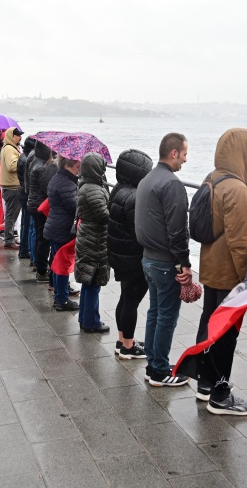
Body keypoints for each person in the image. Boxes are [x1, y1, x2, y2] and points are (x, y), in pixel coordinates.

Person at [195, 127, 247, 414]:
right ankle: (220, 394)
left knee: (209, 323)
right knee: (226, 332)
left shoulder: (213, 178)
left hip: (210, 265)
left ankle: (204, 383)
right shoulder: (237, 189)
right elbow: (240, 241)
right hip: (228, 272)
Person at [134, 133, 192, 387]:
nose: (186, 160)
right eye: (185, 154)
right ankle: (159, 371)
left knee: (155, 312)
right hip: (165, 262)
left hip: (148, 257)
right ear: (174, 153)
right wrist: (184, 265)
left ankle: (153, 364)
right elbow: (178, 230)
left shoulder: (146, 179)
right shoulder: (172, 184)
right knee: (166, 316)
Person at [108, 148, 153, 360]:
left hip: (120, 254)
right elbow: (141, 231)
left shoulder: (118, 190)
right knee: (131, 301)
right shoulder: (134, 197)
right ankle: (128, 346)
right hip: (133, 258)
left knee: (125, 298)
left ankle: (122, 340)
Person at [75, 152, 111, 333]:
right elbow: (104, 215)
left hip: (87, 235)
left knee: (88, 281)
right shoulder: (94, 190)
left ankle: (85, 318)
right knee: (93, 281)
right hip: (94, 238)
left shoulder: (85, 185)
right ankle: (91, 322)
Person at [45, 156, 81, 310]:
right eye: (77, 166)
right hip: (62, 228)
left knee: (56, 260)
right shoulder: (66, 183)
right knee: (63, 264)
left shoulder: (58, 177)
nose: (79, 168)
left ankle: (60, 292)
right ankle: (61, 300)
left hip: (55, 225)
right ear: (68, 165)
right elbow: (74, 206)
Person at [27, 141, 57, 282]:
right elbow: (47, 189)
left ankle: (39, 266)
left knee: (39, 236)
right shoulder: (41, 167)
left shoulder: (34, 161)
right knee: (43, 240)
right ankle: (41, 270)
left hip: (33, 203)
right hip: (40, 206)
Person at [0, 127, 24, 249]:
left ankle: (9, 238)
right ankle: (9, 240)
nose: (20, 138)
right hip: (12, 186)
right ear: (11, 136)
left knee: (11, 214)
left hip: (10, 185)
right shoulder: (9, 149)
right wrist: (22, 159)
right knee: (11, 214)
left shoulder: (9, 147)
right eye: (17, 136)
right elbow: (11, 166)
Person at [17, 136, 36, 259]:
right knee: (27, 223)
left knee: (25, 222)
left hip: (22, 193)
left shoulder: (23, 157)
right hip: (26, 194)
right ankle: (25, 249)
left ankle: (24, 248)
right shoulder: (27, 160)